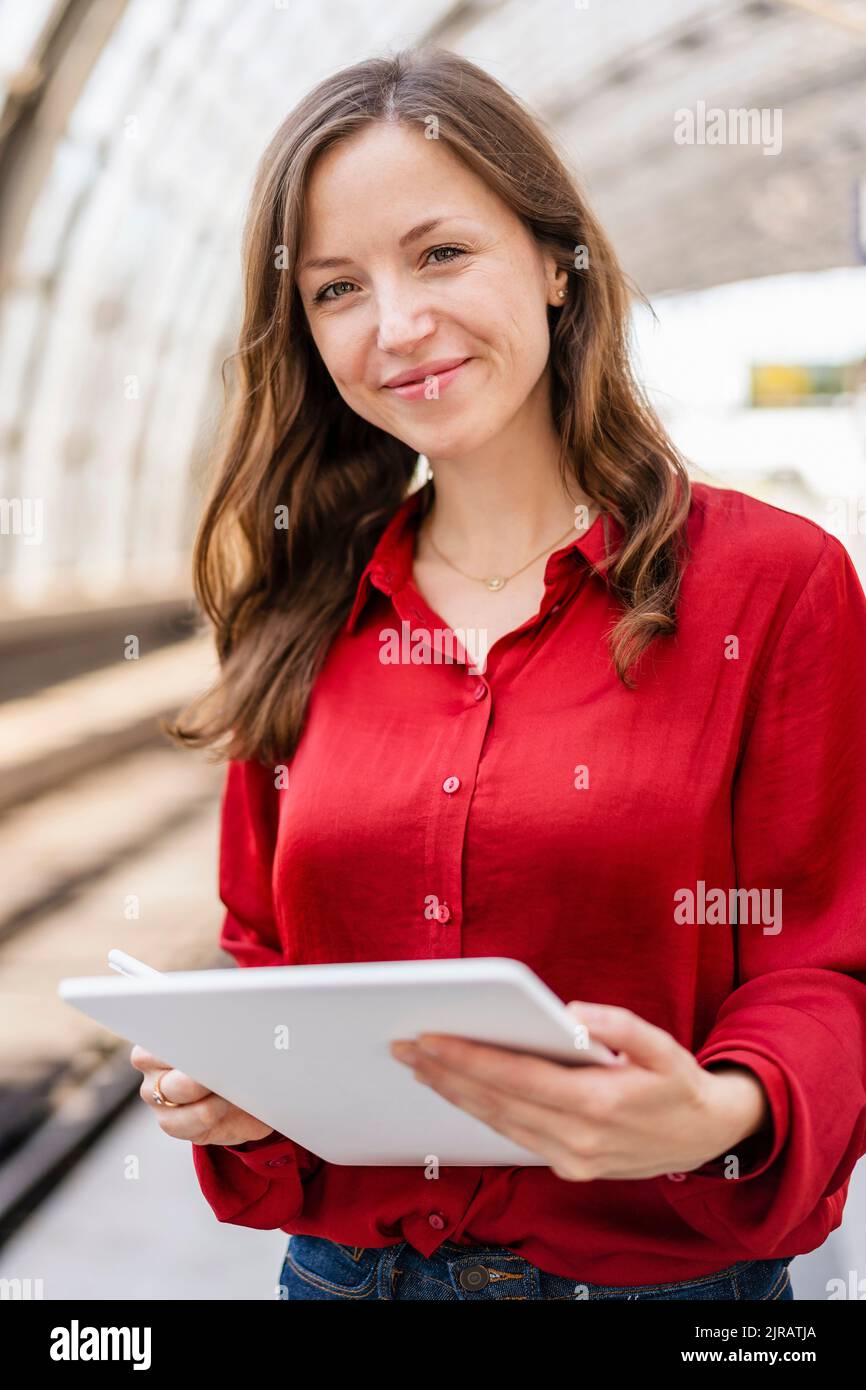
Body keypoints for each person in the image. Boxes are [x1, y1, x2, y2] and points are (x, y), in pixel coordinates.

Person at [130, 47, 866, 1301]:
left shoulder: (772, 584)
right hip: (343, 1281)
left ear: (552, 259)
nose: (396, 326)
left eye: (439, 254)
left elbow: (822, 964)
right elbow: (265, 951)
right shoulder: (302, 604)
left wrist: (722, 1110)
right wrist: (235, 1090)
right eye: (334, 289)